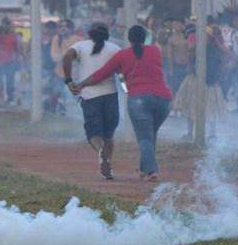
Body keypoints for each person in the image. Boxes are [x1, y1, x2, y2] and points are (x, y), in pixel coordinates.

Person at [73, 26, 172, 181]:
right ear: (145, 37)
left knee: (144, 137)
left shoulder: (122, 55)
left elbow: (101, 74)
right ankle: (143, 169)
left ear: (129, 39)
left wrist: (81, 85)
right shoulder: (155, 51)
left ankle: (151, 171)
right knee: (151, 134)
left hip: (139, 99)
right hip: (164, 100)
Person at [64, 22, 122, 179]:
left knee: (93, 133)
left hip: (90, 97)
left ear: (89, 34)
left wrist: (69, 80)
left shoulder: (81, 46)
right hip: (110, 95)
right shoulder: (114, 49)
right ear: (107, 35)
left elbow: (67, 56)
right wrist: (128, 90)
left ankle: (102, 153)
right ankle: (108, 169)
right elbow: (121, 73)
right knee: (108, 134)